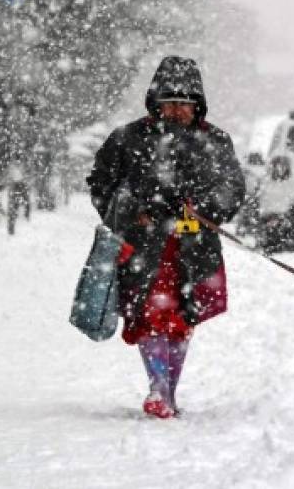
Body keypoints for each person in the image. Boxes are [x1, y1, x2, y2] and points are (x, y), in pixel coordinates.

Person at [87, 56, 245, 418]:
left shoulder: (216, 141)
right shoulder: (126, 139)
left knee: (184, 316)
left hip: (195, 249)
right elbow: (100, 185)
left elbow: (233, 188)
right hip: (143, 248)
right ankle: (158, 387)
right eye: (169, 103)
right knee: (150, 314)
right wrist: (131, 212)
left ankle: (168, 389)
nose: (176, 111)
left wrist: (204, 209)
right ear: (155, 103)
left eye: (184, 104)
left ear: (198, 105)